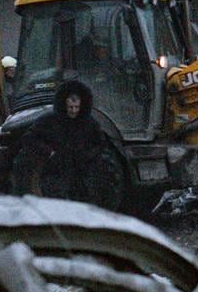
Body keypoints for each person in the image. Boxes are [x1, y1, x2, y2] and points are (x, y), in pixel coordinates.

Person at [11, 79, 122, 208]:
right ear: (64, 105)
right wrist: (48, 152)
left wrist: (87, 156)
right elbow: (29, 139)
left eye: (76, 108)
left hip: (80, 177)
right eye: (70, 107)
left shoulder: (90, 124)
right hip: (55, 174)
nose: (73, 111)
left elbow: (100, 145)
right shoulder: (49, 122)